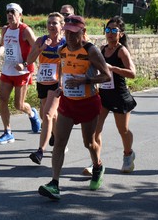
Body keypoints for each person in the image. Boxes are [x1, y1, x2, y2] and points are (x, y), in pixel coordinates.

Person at [38, 15, 111, 200]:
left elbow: (107, 76)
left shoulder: (91, 50)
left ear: (82, 32)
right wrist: (60, 87)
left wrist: (86, 80)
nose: (69, 37)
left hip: (88, 103)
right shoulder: (62, 50)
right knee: (59, 143)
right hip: (68, 103)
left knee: (89, 143)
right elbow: (63, 71)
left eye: (73, 33)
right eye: (67, 32)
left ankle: (98, 166)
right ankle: (54, 183)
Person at [93, 16, 138, 173]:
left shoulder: (122, 51)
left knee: (123, 130)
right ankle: (96, 163)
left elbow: (132, 73)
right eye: (108, 30)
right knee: (95, 130)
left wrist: (113, 68)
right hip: (104, 95)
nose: (110, 33)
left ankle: (128, 154)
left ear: (121, 34)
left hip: (119, 95)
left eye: (114, 30)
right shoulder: (103, 49)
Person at [0, 3, 41, 144]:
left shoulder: (25, 31)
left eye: (13, 12)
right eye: (8, 12)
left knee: (18, 105)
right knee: (2, 100)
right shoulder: (5, 29)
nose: (9, 15)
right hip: (8, 70)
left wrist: (25, 63)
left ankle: (32, 113)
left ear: (20, 15)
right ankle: (7, 132)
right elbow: (2, 45)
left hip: (23, 72)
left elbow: (37, 48)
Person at [26, 12, 66, 164]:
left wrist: (62, 83)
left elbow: (66, 65)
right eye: (49, 23)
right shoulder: (41, 40)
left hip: (56, 84)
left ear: (62, 26)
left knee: (48, 115)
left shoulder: (65, 44)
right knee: (48, 116)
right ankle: (56, 137)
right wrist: (42, 48)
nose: (51, 26)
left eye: (55, 23)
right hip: (42, 82)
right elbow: (30, 60)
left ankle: (40, 151)